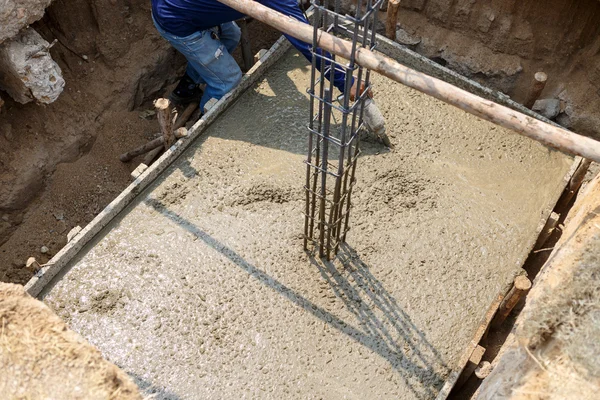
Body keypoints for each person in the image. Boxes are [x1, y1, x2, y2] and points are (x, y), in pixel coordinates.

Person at [151, 0, 369, 109]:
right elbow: (304, 40)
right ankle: (207, 120)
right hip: (177, 22)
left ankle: (186, 89)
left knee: (232, 37)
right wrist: (344, 80)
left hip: (187, 10)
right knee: (228, 82)